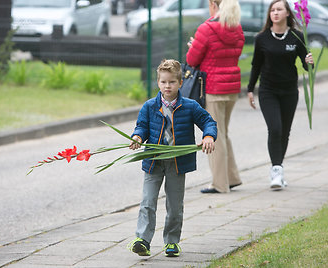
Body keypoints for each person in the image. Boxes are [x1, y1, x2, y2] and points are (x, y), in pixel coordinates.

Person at [127, 59, 217, 257]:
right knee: (148, 201)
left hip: (178, 162)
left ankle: (172, 242)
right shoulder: (150, 106)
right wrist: (137, 137)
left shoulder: (191, 106)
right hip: (154, 161)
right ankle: (142, 239)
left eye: (172, 82)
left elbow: (208, 121)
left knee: (175, 206)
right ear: (158, 83)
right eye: (163, 82)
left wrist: (208, 136)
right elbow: (141, 126)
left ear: (180, 83)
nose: (168, 86)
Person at [247, 0, 314, 190]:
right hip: (268, 91)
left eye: (279, 10)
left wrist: (309, 62)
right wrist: (250, 89)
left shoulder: (296, 36)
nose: (275, 13)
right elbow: (256, 65)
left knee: (285, 132)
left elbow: (307, 66)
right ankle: (276, 170)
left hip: (289, 91)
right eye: (272, 10)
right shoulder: (262, 38)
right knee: (275, 129)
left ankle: (279, 168)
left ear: (287, 14)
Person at [186, 0, 245, 194]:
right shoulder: (237, 28)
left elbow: (192, 60)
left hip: (213, 88)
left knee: (214, 136)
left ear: (213, 4)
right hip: (232, 88)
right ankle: (232, 177)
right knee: (223, 133)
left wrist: (193, 46)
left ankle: (220, 184)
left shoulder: (206, 28)